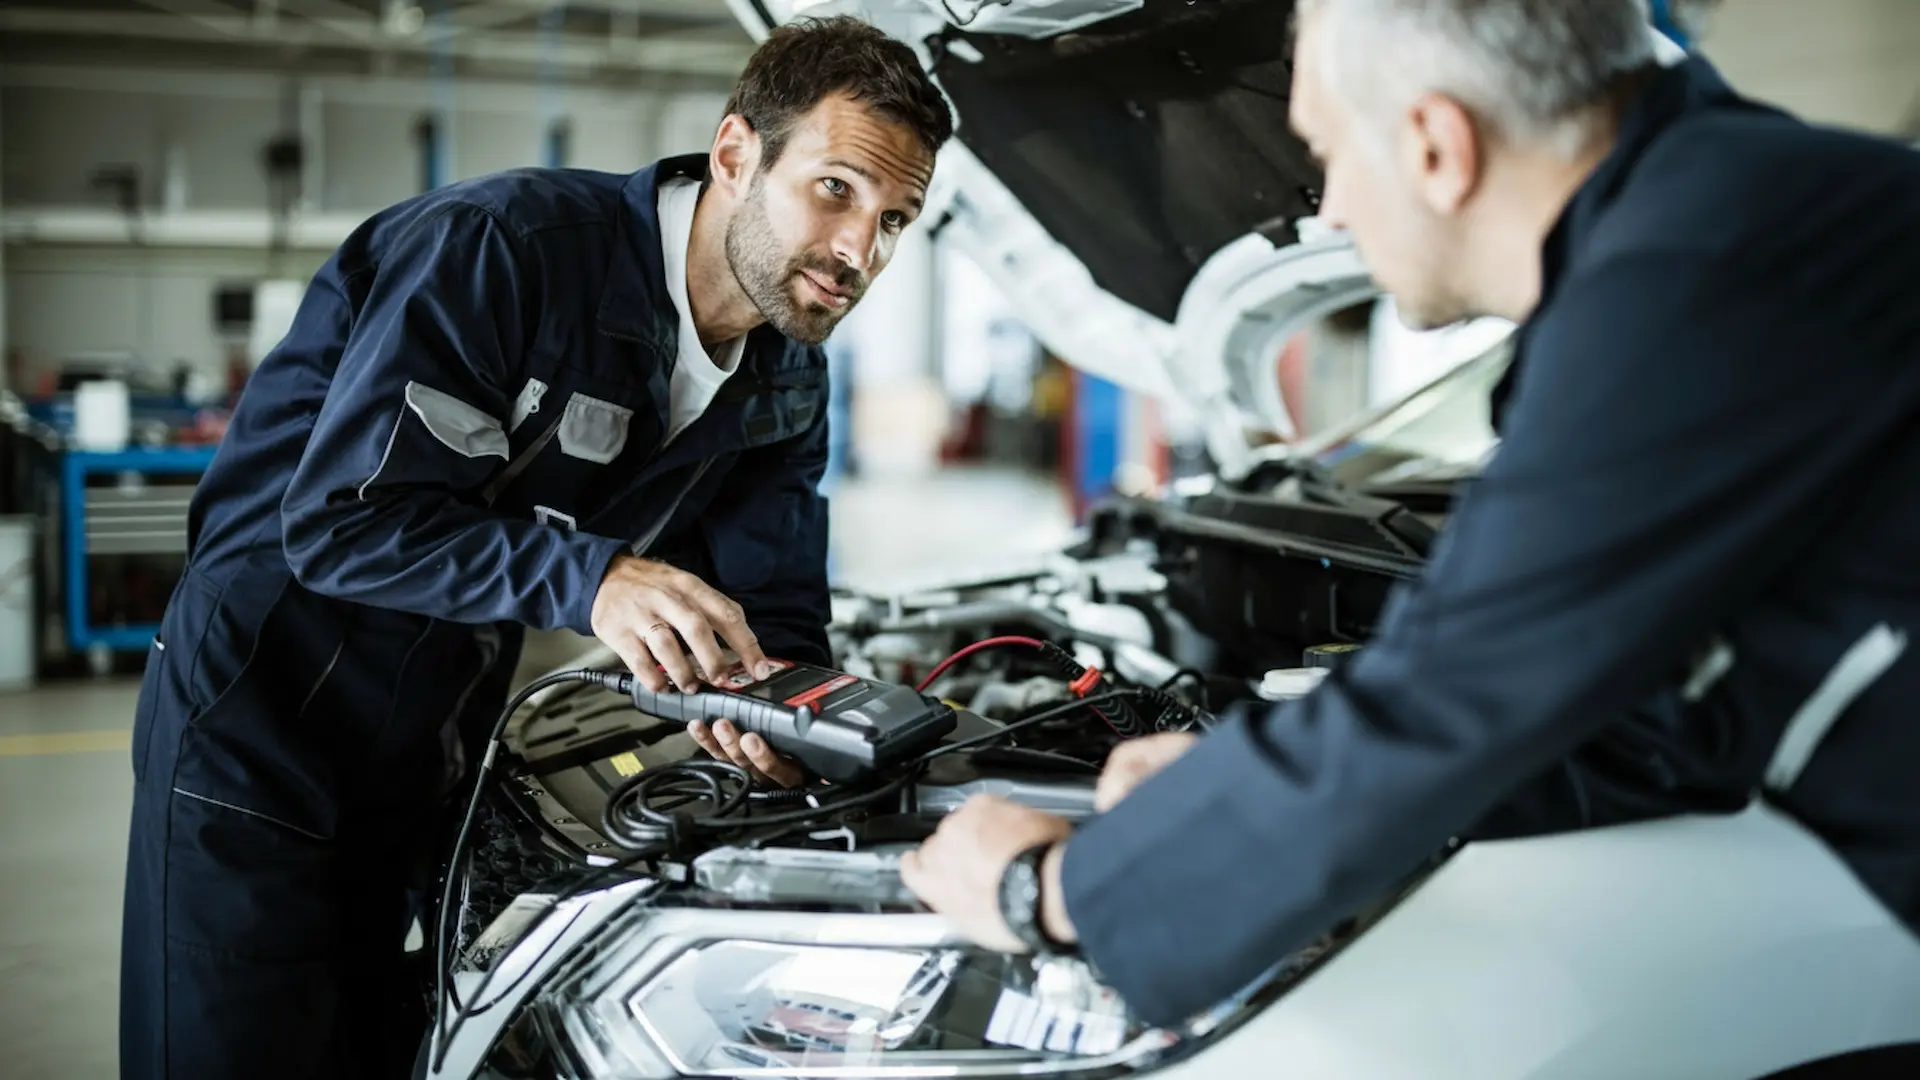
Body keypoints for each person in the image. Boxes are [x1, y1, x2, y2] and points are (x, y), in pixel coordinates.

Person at [896, 0, 1920, 1027]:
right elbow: (1634, 720)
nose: (1328, 213)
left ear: (1435, 145)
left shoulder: (1698, 270)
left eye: (1331, 155)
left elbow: (1455, 695)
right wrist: (1237, 778)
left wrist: (1058, 891)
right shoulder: (1717, 221)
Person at [119, 16, 951, 1078]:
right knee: (235, 1048)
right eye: (836, 190)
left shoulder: (784, 370)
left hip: (436, 719)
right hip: (262, 714)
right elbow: (341, 522)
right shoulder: (502, 253)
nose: (858, 252)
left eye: (896, 221)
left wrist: (780, 705)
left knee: (387, 1037)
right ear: (737, 153)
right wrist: (594, 577)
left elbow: (775, 595)